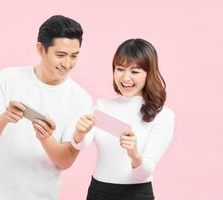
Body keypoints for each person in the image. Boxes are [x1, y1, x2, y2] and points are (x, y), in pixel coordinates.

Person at [0, 15, 94, 200]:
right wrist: (5, 117)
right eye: (60, 55)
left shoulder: (81, 99)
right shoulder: (8, 77)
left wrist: (46, 138)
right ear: (40, 49)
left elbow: (65, 161)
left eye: (74, 56)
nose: (67, 64)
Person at [72, 38, 175, 200]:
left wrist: (134, 154)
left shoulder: (163, 115)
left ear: (149, 73)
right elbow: (80, 144)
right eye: (120, 69)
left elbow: (144, 172)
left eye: (135, 72)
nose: (126, 78)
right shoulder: (102, 105)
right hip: (98, 192)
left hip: (137, 194)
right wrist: (79, 132)